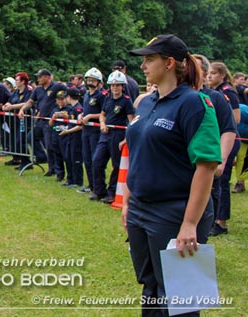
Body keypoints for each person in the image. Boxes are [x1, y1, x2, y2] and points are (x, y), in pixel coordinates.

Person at [124, 34, 221, 316]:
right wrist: (128, 202)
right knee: (150, 286)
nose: (143, 66)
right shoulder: (145, 102)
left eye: (149, 59)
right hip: (141, 211)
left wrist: (190, 223)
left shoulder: (194, 103)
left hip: (175, 211)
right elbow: (137, 153)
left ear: (168, 63)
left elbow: (206, 166)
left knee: (181, 297)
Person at [206, 61, 241, 236]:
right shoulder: (215, 92)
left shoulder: (227, 93)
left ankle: (221, 221)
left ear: (222, 75)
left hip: (227, 139)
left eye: (213, 73)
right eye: (208, 73)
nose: (209, 76)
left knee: (222, 181)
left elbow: (235, 119)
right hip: (216, 139)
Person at [90, 70, 134, 203]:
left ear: (122, 87)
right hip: (105, 134)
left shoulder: (126, 101)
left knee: (116, 164)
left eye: (118, 85)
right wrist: (102, 123)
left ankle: (112, 192)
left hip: (118, 135)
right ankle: (99, 190)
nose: (115, 88)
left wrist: (126, 139)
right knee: (97, 161)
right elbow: (102, 114)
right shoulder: (107, 99)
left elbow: (131, 121)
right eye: (113, 85)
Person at [18, 69, 67, 177]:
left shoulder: (57, 87)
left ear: (48, 77)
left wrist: (63, 109)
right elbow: (31, 101)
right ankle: (42, 157)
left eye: (40, 77)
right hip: (40, 119)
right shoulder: (38, 90)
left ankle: (53, 168)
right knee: (30, 137)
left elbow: (69, 95)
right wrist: (22, 109)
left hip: (51, 121)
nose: (38, 79)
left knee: (50, 145)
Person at [77, 68, 107, 193]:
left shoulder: (102, 95)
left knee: (96, 159)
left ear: (99, 82)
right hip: (86, 130)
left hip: (96, 130)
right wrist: (82, 115)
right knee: (87, 158)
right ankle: (91, 184)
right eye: (89, 79)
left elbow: (104, 113)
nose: (90, 82)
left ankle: (98, 185)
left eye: (93, 80)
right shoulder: (86, 94)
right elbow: (86, 109)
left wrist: (90, 117)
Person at [2, 72, 34, 169]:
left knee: (21, 140)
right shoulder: (16, 91)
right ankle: (19, 159)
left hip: (25, 119)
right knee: (15, 140)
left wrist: (11, 107)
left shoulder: (29, 90)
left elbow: (27, 103)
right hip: (15, 119)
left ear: (23, 81)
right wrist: (6, 105)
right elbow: (10, 100)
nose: (15, 81)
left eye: (17, 80)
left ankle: (26, 161)